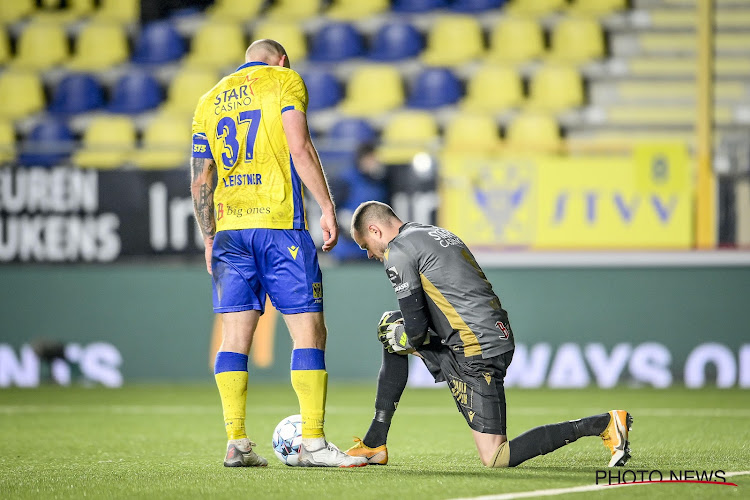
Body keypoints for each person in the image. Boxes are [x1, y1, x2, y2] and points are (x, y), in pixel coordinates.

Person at [344, 201, 632, 468]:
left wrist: (404, 338)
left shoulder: (399, 251)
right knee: (392, 328)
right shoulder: (434, 232)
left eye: (365, 245)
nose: (369, 253)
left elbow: (416, 332)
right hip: (493, 336)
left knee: (496, 456)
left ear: (375, 229)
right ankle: (375, 442)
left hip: (475, 348)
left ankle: (602, 424)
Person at [190, 39, 367, 468]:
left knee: (234, 340)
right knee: (309, 333)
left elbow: (200, 181)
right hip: (279, 227)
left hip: (231, 232)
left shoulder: (208, 100)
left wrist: (209, 236)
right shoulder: (285, 81)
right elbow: (299, 146)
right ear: (282, 59)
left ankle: (236, 442)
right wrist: (327, 206)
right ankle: (313, 443)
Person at [329, 143, 389, 261]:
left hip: (373, 252)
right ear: (362, 160)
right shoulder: (346, 181)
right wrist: (344, 220)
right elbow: (332, 210)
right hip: (348, 251)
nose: (375, 163)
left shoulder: (381, 182)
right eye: (371, 159)